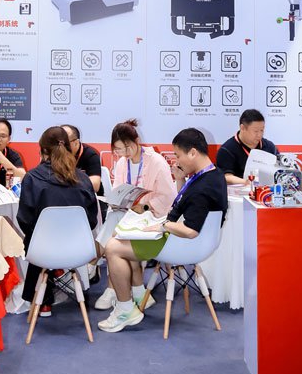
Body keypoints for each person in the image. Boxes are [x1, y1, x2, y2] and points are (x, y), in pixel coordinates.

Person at [98, 127, 228, 334]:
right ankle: (136, 295)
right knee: (120, 235)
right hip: (179, 237)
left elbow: (190, 231)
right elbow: (185, 204)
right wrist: (180, 179)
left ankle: (125, 310)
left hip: (179, 241)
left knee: (113, 247)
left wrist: (162, 226)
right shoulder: (212, 175)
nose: (176, 160)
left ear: (192, 153)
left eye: (178, 155)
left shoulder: (203, 187)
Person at [17, 125, 100, 317]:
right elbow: (92, 220)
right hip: (79, 249)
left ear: (42, 150)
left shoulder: (32, 178)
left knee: (36, 238)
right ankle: (50, 285)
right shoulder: (83, 179)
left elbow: (25, 220)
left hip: (42, 250)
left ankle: (42, 300)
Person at [94, 119, 176, 310]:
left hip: (152, 217)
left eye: (127, 148)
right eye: (118, 150)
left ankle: (101, 270)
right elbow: (118, 191)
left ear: (137, 141)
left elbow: (168, 197)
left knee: (115, 230)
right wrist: (117, 202)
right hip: (128, 215)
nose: (124, 153)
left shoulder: (156, 161)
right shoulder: (122, 163)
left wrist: (145, 206)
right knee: (115, 220)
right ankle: (137, 291)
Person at [216, 108, 279, 185]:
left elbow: (279, 170)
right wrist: (247, 182)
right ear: (242, 128)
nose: (259, 135)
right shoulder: (227, 150)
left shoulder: (270, 147)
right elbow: (226, 177)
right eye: (255, 131)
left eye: (262, 130)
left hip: (267, 190)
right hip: (239, 190)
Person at [62, 123, 103, 194]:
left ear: (76, 142)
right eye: (58, 143)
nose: (60, 147)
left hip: (86, 195)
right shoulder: (54, 153)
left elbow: (95, 185)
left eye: (65, 143)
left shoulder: (91, 155)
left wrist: (68, 184)